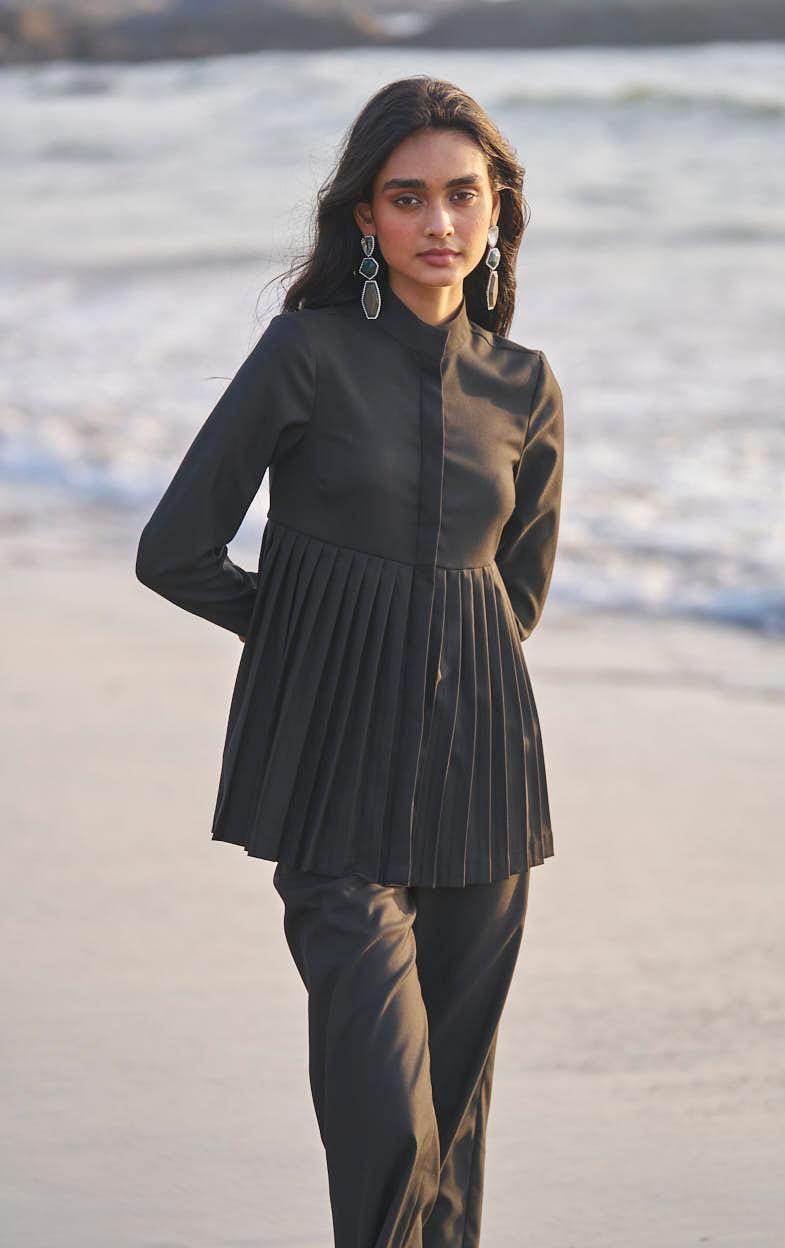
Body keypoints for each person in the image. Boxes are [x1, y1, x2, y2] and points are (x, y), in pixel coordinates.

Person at [136, 74, 564, 1248]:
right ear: (364, 217)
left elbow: (516, 599)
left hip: (482, 783)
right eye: (406, 197)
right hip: (332, 779)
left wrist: (439, 664)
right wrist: (309, 644)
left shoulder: (524, 387)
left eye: (461, 195)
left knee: (454, 1132)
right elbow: (176, 551)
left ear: (496, 209)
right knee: (390, 1117)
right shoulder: (306, 355)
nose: (439, 222)